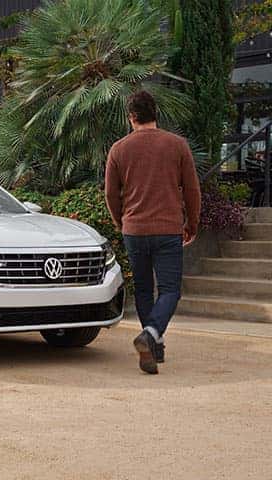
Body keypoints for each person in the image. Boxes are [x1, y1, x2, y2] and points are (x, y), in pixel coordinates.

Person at [105, 90, 201, 375]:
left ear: (131, 117)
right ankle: (151, 335)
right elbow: (192, 189)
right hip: (168, 228)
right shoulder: (177, 145)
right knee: (170, 290)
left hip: (134, 230)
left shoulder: (119, 149)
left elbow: (111, 193)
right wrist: (192, 223)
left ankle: (153, 348)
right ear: (155, 113)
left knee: (145, 289)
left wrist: (121, 222)